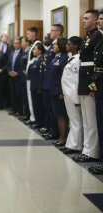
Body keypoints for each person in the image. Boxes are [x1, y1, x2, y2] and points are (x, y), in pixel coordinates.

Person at [72, 9, 101, 162]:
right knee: (86, 118)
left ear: (95, 20)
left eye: (86, 18)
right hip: (83, 77)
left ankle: (93, 151)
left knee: (91, 118)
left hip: (90, 79)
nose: (83, 21)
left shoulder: (98, 36)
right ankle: (87, 148)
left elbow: (97, 62)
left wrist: (93, 84)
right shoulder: (87, 36)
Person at [60, 36, 83, 154]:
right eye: (67, 44)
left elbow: (76, 80)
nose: (67, 45)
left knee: (76, 121)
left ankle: (75, 145)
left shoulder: (77, 60)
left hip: (73, 95)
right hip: (67, 94)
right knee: (73, 120)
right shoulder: (71, 58)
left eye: (70, 44)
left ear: (76, 46)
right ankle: (71, 143)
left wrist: (76, 98)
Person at [88, 10, 103, 174]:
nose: (99, 21)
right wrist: (94, 86)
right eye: (98, 18)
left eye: (101, 19)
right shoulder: (99, 38)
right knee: (100, 125)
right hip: (100, 85)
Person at [49, 38, 69, 146]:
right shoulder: (55, 57)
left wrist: (62, 91)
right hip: (53, 90)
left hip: (59, 91)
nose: (53, 47)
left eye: (55, 45)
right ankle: (60, 136)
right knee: (58, 115)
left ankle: (64, 137)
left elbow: (64, 76)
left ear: (61, 46)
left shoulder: (64, 58)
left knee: (62, 115)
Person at [7, 38, 23, 115]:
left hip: (18, 77)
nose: (16, 45)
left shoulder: (22, 53)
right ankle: (14, 109)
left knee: (18, 94)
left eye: (17, 43)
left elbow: (23, 66)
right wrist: (9, 71)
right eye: (15, 43)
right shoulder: (11, 53)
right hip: (11, 77)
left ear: (20, 44)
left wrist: (18, 73)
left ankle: (19, 110)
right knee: (12, 94)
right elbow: (8, 65)